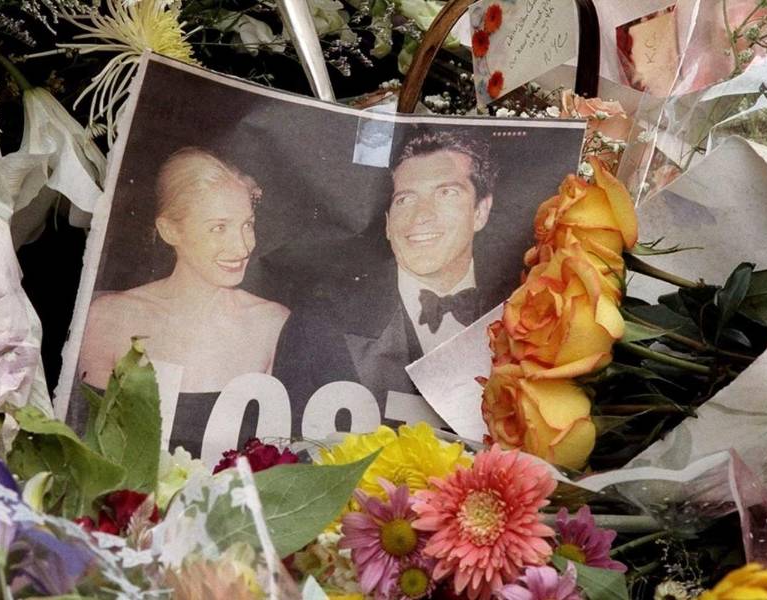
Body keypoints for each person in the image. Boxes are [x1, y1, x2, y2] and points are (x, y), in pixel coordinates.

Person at [274, 128, 499, 433]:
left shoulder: (524, 311)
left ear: (481, 211)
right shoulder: (318, 324)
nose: (422, 215)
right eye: (405, 199)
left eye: (446, 193)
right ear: (388, 224)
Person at [78, 147, 291, 394]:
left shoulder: (272, 323)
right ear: (170, 231)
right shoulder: (109, 317)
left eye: (247, 225)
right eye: (219, 228)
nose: (242, 247)